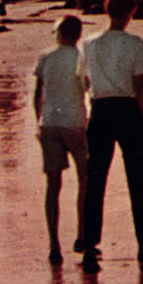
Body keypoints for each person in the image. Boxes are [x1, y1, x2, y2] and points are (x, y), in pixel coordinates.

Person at [78, 0, 143, 273]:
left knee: (96, 180)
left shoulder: (89, 45)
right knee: (137, 180)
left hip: (101, 109)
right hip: (128, 110)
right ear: (131, 12)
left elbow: (85, 83)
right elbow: (141, 90)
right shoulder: (136, 44)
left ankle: (90, 244)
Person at [33, 15, 90, 265]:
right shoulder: (81, 59)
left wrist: (39, 121)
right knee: (85, 181)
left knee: (53, 186)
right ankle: (82, 235)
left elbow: (38, 94)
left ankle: (54, 244)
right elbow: (87, 88)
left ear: (58, 33)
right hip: (75, 123)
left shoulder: (45, 57)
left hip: (50, 125)